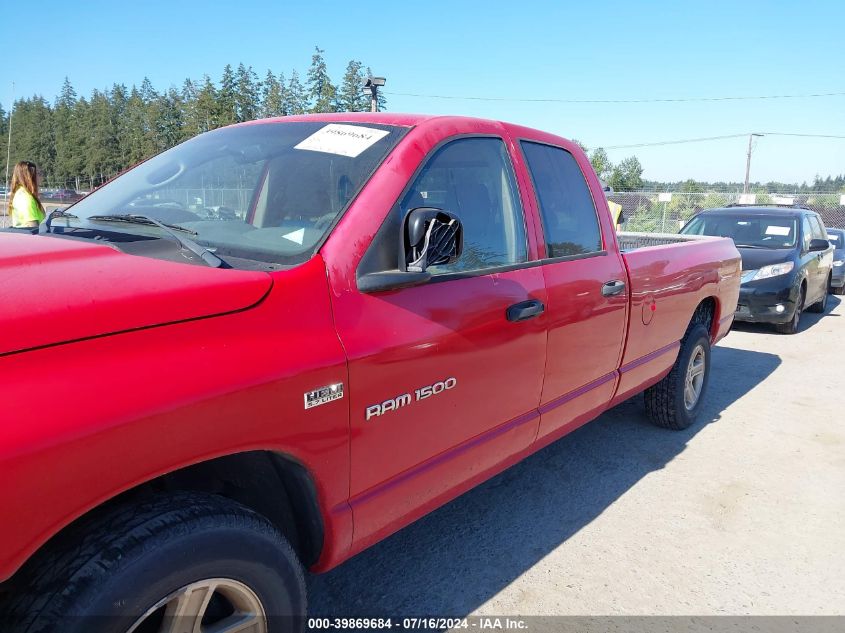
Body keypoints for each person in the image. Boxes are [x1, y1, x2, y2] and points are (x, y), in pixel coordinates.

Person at [8, 161, 46, 229]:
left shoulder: (22, 193)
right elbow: (32, 226)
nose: (42, 177)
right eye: (39, 173)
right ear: (29, 176)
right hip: (30, 237)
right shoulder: (26, 197)